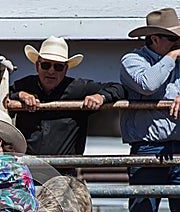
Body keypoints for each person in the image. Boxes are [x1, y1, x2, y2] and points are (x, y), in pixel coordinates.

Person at [116, 7, 180, 212]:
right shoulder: (132, 60)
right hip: (148, 148)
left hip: (176, 147)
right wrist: (171, 58)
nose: (179, 44)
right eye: (174, 40)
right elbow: (148, 85)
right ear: (156, 39)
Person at [7, 36, 125, 165]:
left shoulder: (78, 88)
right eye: (46, 65)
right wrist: (20, 95)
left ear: (66, 69)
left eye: (58, 67)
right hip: (27, 169)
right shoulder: (24, 85)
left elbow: (119, 89)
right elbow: (3, 96)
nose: (51, 71)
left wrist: (100, 97)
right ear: (37, 66)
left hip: (64, 170)